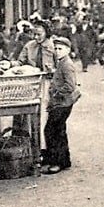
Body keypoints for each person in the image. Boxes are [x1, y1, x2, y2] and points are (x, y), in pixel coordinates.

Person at [42, 37, 81, 174]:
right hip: (61, 102)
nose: (57, 51)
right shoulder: (62, 62)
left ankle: (56, 162)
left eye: (60, 49)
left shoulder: (67, 64)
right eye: (56, 49)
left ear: (68, 50)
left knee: (51, 131)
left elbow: (70, 86)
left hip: (62, 103)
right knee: (59, 130)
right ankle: (64, 160)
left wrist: (55, 93)